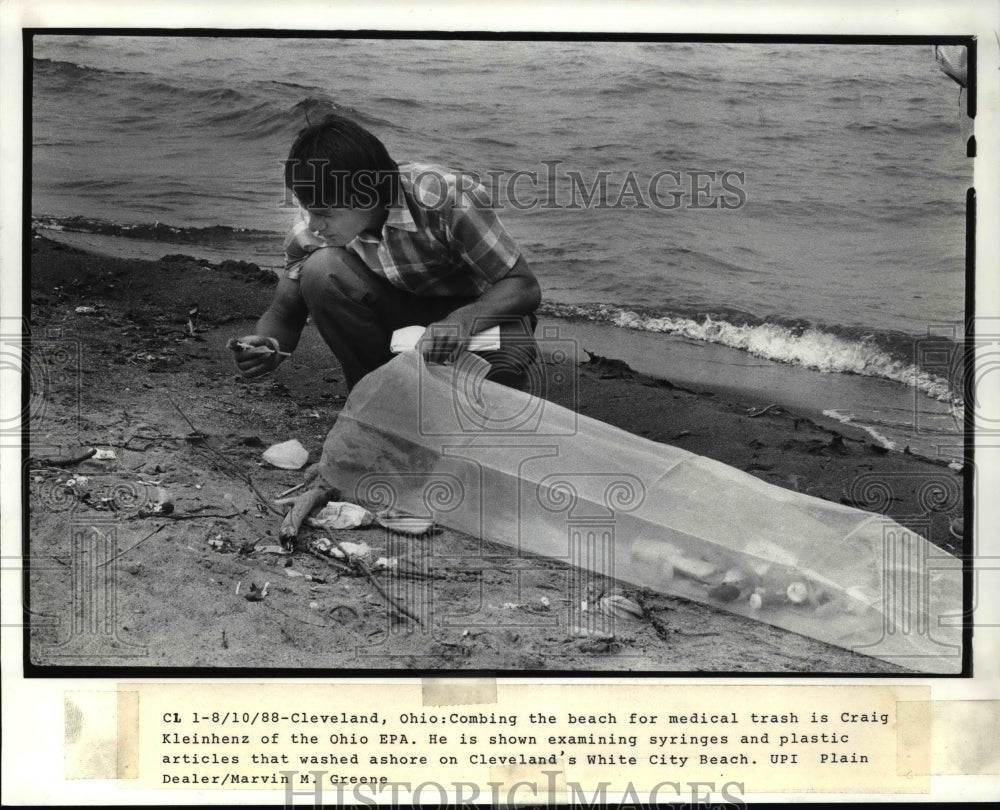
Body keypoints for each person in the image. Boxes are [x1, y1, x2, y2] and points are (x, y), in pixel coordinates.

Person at [229, 113, 541, 392]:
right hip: (398, 318)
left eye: (324, 213)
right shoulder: (314, 225)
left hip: (478, 314)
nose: (313, 224)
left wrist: (461, 322)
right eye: (307, 209)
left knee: (501, 371)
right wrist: (270, 346)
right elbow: (285, 310)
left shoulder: (447, 198)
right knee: (320, 270)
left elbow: (522, 285)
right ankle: (377, 396)